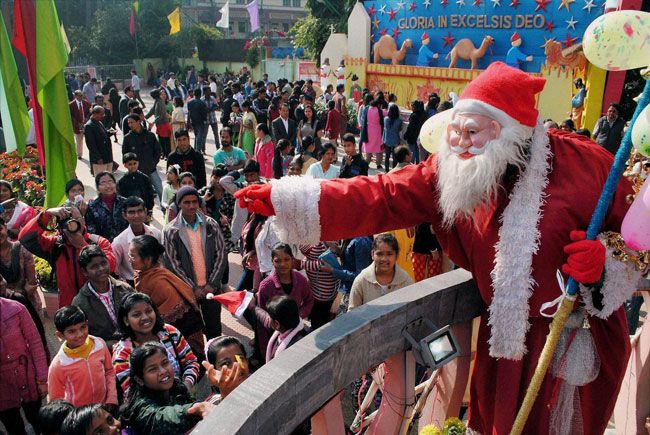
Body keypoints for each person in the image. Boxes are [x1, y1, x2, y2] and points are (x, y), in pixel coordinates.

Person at [235, 61, 640, 434]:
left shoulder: (588, 167)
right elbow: (383, 194)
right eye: (457, 131)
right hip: (503, 350)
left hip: (572, 343)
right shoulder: (452, 170)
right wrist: (286, 197)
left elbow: (640, 244)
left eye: (473, 132)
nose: (462, 144)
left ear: (510, 131)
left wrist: (605, 265)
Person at [19, 205, 116, 307]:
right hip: (70, 307)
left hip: (99, 306)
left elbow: (110, 267)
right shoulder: (55, 245)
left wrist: (83, 246)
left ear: (83, 221)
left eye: (75, 219)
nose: (72, 224)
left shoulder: (98, 242)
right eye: (66, 221)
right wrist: (46, 214)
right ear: (59, 227)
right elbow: (25, 238)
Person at [164, 186, 227, 339]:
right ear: (179, 204)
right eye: (186, 202)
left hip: (211, 289)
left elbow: (221, 255)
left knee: (214, 331)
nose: (191, 206)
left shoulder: (211, 224)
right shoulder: (171, 230)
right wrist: (192, 287)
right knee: (193, 333)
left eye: (194, 202)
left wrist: (212, 284)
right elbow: (172, 263)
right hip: (187, 293)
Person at [130, 235, 205, 359]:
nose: (129, 259)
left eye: (133, 256)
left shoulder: (159, 283)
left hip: (182, 333)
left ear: (147, 260)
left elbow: (168, 317)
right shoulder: (145, 275)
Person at [112, 293, 200, 397]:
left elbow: (191, 362)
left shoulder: (169, 333)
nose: (145, 317)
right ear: (126, 320)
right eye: (137, 314)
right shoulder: (123, 354)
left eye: (148, 311)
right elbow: (132, 392)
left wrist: (187, 386)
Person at [119, 343, 213, 433]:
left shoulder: (176, 385)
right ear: (139, 379)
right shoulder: (139, 407)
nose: (163, 371)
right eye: (152, 369)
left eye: (165, 363)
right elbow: (164, 417)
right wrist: (196, 408)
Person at [49, 305, 118, 407]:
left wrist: (111, 398)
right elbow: (56, 400)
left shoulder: (99, 344)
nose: (80, 334)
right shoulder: (59, 364)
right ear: (60, 335)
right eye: (71, 331)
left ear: (87, 324)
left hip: (104, 408)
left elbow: (109, 371)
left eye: (83, 327)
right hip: (80, 416)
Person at [0, 297, 48, 435]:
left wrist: (42, 379)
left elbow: (35, 344)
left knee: (38, 420)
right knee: (13, 426)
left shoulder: (16, 308)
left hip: (27, 376)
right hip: (3, 387)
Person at [256, 243, 314, 356]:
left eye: (287, 259)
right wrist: (264, 346)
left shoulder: (301, 280)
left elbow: (309, 300)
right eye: (278, 261)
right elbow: (261, 316)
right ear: (272, 261)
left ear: (292, 260)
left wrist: (298, 315)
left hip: (296, 330)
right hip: (275, 334)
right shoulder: (265, 286)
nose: (283, 264)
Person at [72, 246, 133, 349]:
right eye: (94, 266)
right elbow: (83, 338)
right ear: (84, 272)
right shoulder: (80, 303)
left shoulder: (125, 289)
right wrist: (112, 345)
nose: (101, 269)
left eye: (103, 263)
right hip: (105, 355)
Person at [111, 196, 163, 285]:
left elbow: (161, 259)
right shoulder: (119, 242)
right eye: (131, 212)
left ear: (145, 212)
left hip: (157, 280)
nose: (136, 215)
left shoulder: (156, 233)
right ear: (124, 215)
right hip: (132, 284)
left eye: (140, 211)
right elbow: (114, 270)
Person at [122, 113, 163, 200]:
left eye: (131, 122)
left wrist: (153, 162)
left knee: (161, 191)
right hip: (136, 172)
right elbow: (125, 155)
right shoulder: (128, 138)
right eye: (128, 123)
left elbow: (158, 150)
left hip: (151, 170)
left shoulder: (150, 136)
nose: (130, 125)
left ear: (138, 122)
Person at [203, 336, 249, 403]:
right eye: (226, 363)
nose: (237, 366)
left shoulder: (260, 383)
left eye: (240, 358)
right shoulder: (212, 405)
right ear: (214, 372)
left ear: (247, 360)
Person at [85, 172, 129, 243]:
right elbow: (91, 230)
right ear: (98, 187)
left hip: (125, 243)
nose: (108, 186)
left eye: (110, 181)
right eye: (103, 183)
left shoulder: (125, 202)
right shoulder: (92, 207)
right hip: (104, 247)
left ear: (115, 184)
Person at [84, 106, 114, 175]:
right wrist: (98, 158)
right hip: (99, 160)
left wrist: (109, 133)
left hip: (107, 157)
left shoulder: (99, 122)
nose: (103, 116)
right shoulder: (89, 126)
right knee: (100, 180)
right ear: (95, 114)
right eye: (101, 114)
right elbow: (91, 145)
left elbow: (102, 136)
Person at [146, 89, 172, 159]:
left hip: (163, 124)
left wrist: (153, 122)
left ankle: (167, 155)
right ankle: (164, 153)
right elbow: (152, 111)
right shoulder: (157, 101)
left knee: (165, 141)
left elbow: (160, 115)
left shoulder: (160, 102)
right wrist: (145, 117)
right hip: (160, 124)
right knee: (161, 140)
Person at [363, 97, 385, 169]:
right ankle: (378, 164)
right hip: (377, 131)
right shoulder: (379, 110)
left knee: (368, 148)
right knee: (378, 148)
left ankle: (367, 163)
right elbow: (382, 121)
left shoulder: (367, 109)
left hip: (368, 130)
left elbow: (364, 119)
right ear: (378, 104)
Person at [187, 87, 208, 153]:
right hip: (200, 122)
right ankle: (198, 151)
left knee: (196, 136)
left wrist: (188, 122)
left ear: (194, 93)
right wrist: (204, 119)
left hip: (193, 121)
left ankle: (195, 150)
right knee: (199, 137)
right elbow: (204, 114)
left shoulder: (190, 102)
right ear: (200, 94)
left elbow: (189, 113)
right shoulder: (202, 103)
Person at [383, 104, 403, 171]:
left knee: (387, 156)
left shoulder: (385, 119)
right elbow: (400, 130)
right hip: (396, 140)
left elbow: (384, 130)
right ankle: (393, 171)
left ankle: (387, 171)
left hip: (387, 140)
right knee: (395, 157)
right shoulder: (399, 121)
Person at [202, 87, 220, 151]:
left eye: (210, 91)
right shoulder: (202, 100)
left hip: (213, 119)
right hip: (205, 120)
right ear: (204, 92)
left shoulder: (212, 98)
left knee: (216, 134)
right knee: (204, 136)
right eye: (208, 91)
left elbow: (217, 106)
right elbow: (202, 110)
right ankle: (203, 149)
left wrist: (210, 109)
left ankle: (218, 148)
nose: (210, 92)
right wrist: (211, 109)